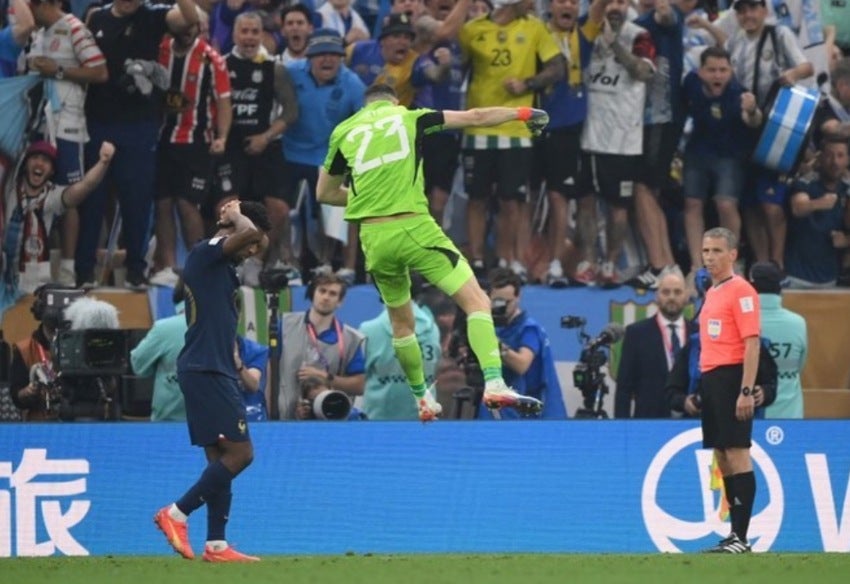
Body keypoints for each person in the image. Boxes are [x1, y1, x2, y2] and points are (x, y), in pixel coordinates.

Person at [316, 83, 549, 421]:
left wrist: (368, 196)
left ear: (366, 106)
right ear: (394, 101)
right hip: (413, 227)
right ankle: (495, 382)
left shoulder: (344, 130)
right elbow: (476, 116)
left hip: (374, 240)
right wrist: (523, 113)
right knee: (477, 301)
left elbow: (324, 193)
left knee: (401, 324)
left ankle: (422, 398)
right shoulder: (410, 117)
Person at [154, 199, 270, 563]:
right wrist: (235, 216)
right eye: (253, 245)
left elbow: (252, 237)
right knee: (242, 453)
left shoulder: (219, 263)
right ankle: (176, 513)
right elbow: (249, 233)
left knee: (220, 459)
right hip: (207, 369)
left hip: (208, 367)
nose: (253, 251)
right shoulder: (207, 251)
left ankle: (216, 544)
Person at [80, 0, 200, 290]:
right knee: (92, 200)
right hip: (96, 122)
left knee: (136, 201)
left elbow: (189, 17)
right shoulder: (96, 17)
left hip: (138, 125)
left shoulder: (154, 16)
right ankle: (83, 272)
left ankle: (136, 271)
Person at [27, 0, 108, 287]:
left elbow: (100, 71)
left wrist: (58, 70)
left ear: (45, 4)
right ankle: (36, 262)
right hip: (39, 124)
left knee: (69, 195)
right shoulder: (38, 33)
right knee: (36, 192)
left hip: (68, 126)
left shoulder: (75, 28)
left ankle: (68, 268)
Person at [698, 226, 761, 553]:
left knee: (737, 452)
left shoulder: (742, 291)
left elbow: (752, 343)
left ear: (733, 254)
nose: (709, 257)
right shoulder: (713, 291)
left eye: (717, 251)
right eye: (706, 251)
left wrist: (745, 390)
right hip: (712, 378)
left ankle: (741, 537)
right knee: (722, 455)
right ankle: (734, 534)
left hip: (731, 377)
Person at [681, 46, 763, 287]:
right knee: (692, 204)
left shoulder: (739, 94)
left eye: (723, 70)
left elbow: (754, 121)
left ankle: (730, 265)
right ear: (700, 72)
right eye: (712, 70)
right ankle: (696, 266)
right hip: (697, 151)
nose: (717, 75)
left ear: (731, 71)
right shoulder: (690, 84)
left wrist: (752, 110)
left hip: (729, 156)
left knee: (725, 203)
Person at [2, 140, 115, 295]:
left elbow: (86, 185)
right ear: (26, 164)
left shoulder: (53, 196)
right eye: (35, 158)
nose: (39, 163)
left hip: (32, 285)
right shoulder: (8, 188)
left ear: (52, 171)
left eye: (45, 160)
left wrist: (103, 162)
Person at [478, 268, 566, 419]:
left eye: (506, 302)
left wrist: (495, 344)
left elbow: (521, 364)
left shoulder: (529, 329)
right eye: (496, 302)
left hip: (533, 413)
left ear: (518, 297)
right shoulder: (493, 327)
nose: (501, 307)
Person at [276, 272, 366, 420]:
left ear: (340, 301)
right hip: (285, 417)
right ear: (313, 293)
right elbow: (270, 370)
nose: (326, 297)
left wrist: (326, 377)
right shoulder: (285, 325)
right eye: (322, 291)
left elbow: (359, 385)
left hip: (330, 418)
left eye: (332, 293)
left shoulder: (351, 338)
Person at [359, 277, 441, 420]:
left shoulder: (369, 330)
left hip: (379, 421)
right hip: (424, 419)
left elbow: (356, 380)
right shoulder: (433, 329)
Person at [615, 267, 690, 418]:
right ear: (656, 296)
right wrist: (621, 427)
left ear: (686, 297)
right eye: (666, 292)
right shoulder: (637, 333)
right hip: (650, 421)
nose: (671, 297)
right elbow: (624, 388)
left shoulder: (698, 334)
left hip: (691, 421)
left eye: (677, 292)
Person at [785, 137, 850, 288]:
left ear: (847, 159)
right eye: (829, 155)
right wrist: (819, 203)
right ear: (820, 158)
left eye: (840, 156)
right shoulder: (807, 182)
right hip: (797, 276)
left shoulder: (847, 188)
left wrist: (847, 240)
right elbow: (798, 208)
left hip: (832, 279)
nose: (834, 162)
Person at [6, 284, 77, 421]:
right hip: (40, 423)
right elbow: (16, 396)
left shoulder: (81, 346)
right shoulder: (25, 349)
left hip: (79, 421)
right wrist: (27, 392)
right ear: (40, 310)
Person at [749, 262, 807, 418]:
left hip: (752, 417)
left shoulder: (742, 323)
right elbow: (800, 366)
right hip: (791, 415)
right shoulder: (798, 323)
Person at [130, 283, 188, 422]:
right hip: (211, 425)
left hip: (167, 424)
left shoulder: (163, 328)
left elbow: (138, 365)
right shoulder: (219, 330)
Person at [234, 335, 269, 421]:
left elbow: (253, 386)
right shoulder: (206, 351)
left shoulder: (256, 351)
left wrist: (238, 363)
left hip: (251, 415)